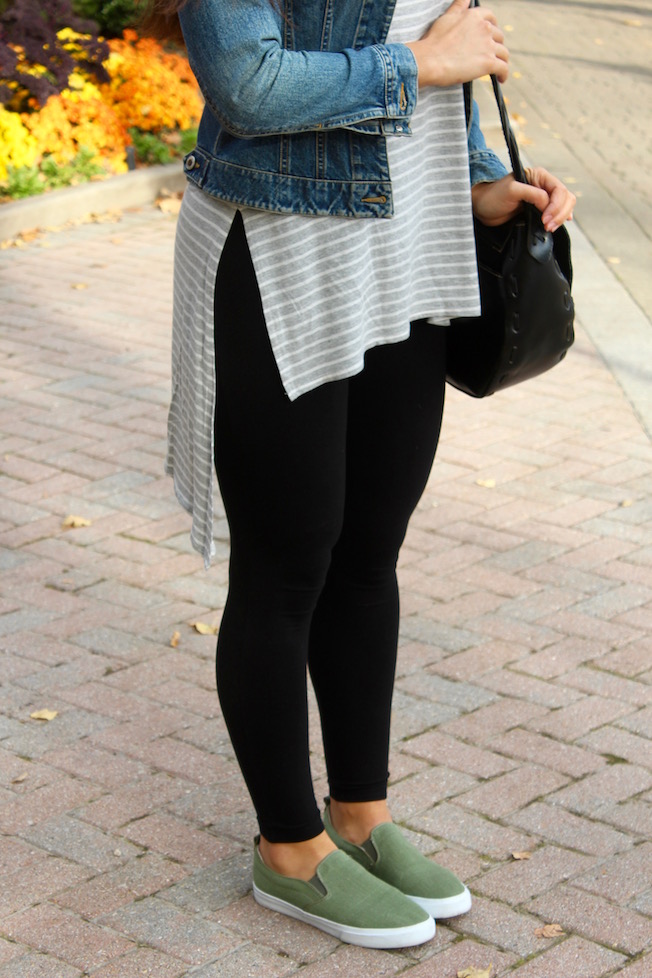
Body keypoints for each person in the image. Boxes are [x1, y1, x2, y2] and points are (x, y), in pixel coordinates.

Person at [145, 0, 575, 950]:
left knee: (370, 553)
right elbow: (246, 84)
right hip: (285, 249)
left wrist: (481, 179)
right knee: (286, 564)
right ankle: (289, 848)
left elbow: (437, 57)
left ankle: (360, 814)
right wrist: (421, 64)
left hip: (413, 249)